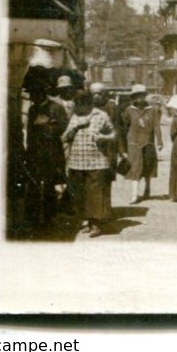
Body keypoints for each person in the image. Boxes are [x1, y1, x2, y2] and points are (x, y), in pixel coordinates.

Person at [61, 91, 117, 237]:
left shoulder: (101, 115)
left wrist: (103, 137)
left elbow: (114, 134)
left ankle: (96, 224)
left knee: (96, 194)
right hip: (76, 162)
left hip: (97, 162)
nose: (78, 108)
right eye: (77, 105)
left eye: (81, 105)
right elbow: (64, 138)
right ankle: (87, 221)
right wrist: (76, 126)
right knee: (81, 194)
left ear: (89, 104)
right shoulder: (75, 117)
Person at [23, 81, 69, 232]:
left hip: (51, 153)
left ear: (42, 93)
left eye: (34, 94)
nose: (31, 97)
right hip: (34, 153)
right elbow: (30, 132)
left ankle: (49, 218)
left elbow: (63, 129)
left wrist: (46, 125)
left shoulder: (57, 108)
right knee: (33, 185)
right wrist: (28, 151)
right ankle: (33, 218)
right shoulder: (32, 109)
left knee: (50, 186)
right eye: (30, 94)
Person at [121, 85, 161, 203]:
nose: (140, 99)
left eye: (142, 96)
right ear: (133, 97)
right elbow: (124, 126)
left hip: (148, 142)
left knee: (148, 166)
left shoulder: (152, 110)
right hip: (133, 143)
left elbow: (156, 126)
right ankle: (134, 195)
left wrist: (159, 141)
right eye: (137, 96)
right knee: (135, 168)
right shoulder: (129, 110)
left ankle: (147, 190)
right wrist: (123, 145)